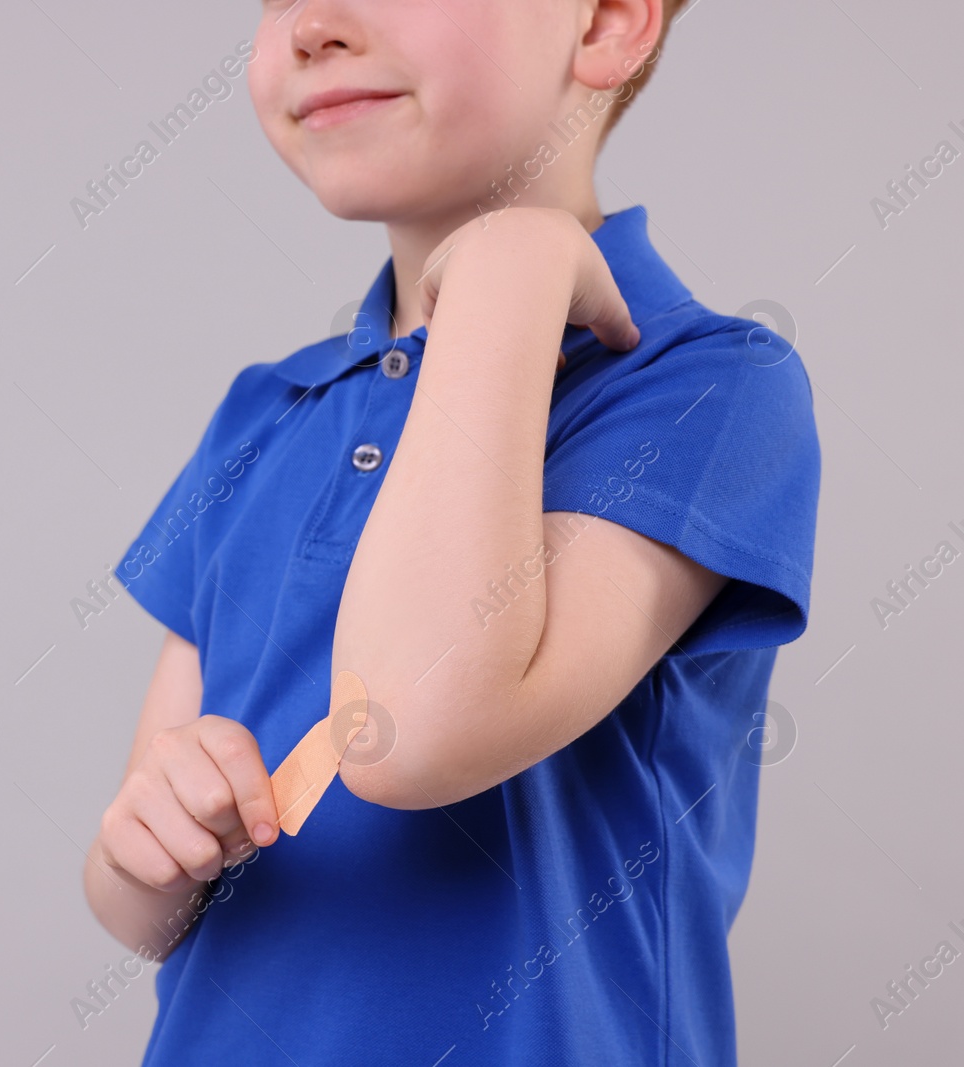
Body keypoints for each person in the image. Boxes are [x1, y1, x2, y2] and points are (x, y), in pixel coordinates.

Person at [85, 1, 820, 1063]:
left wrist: (510, 271)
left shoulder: (705, 388)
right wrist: (142, 850)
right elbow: (143, 909)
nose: (312, 27)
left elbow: (405, 727)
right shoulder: (264, 414)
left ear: (609, 22)